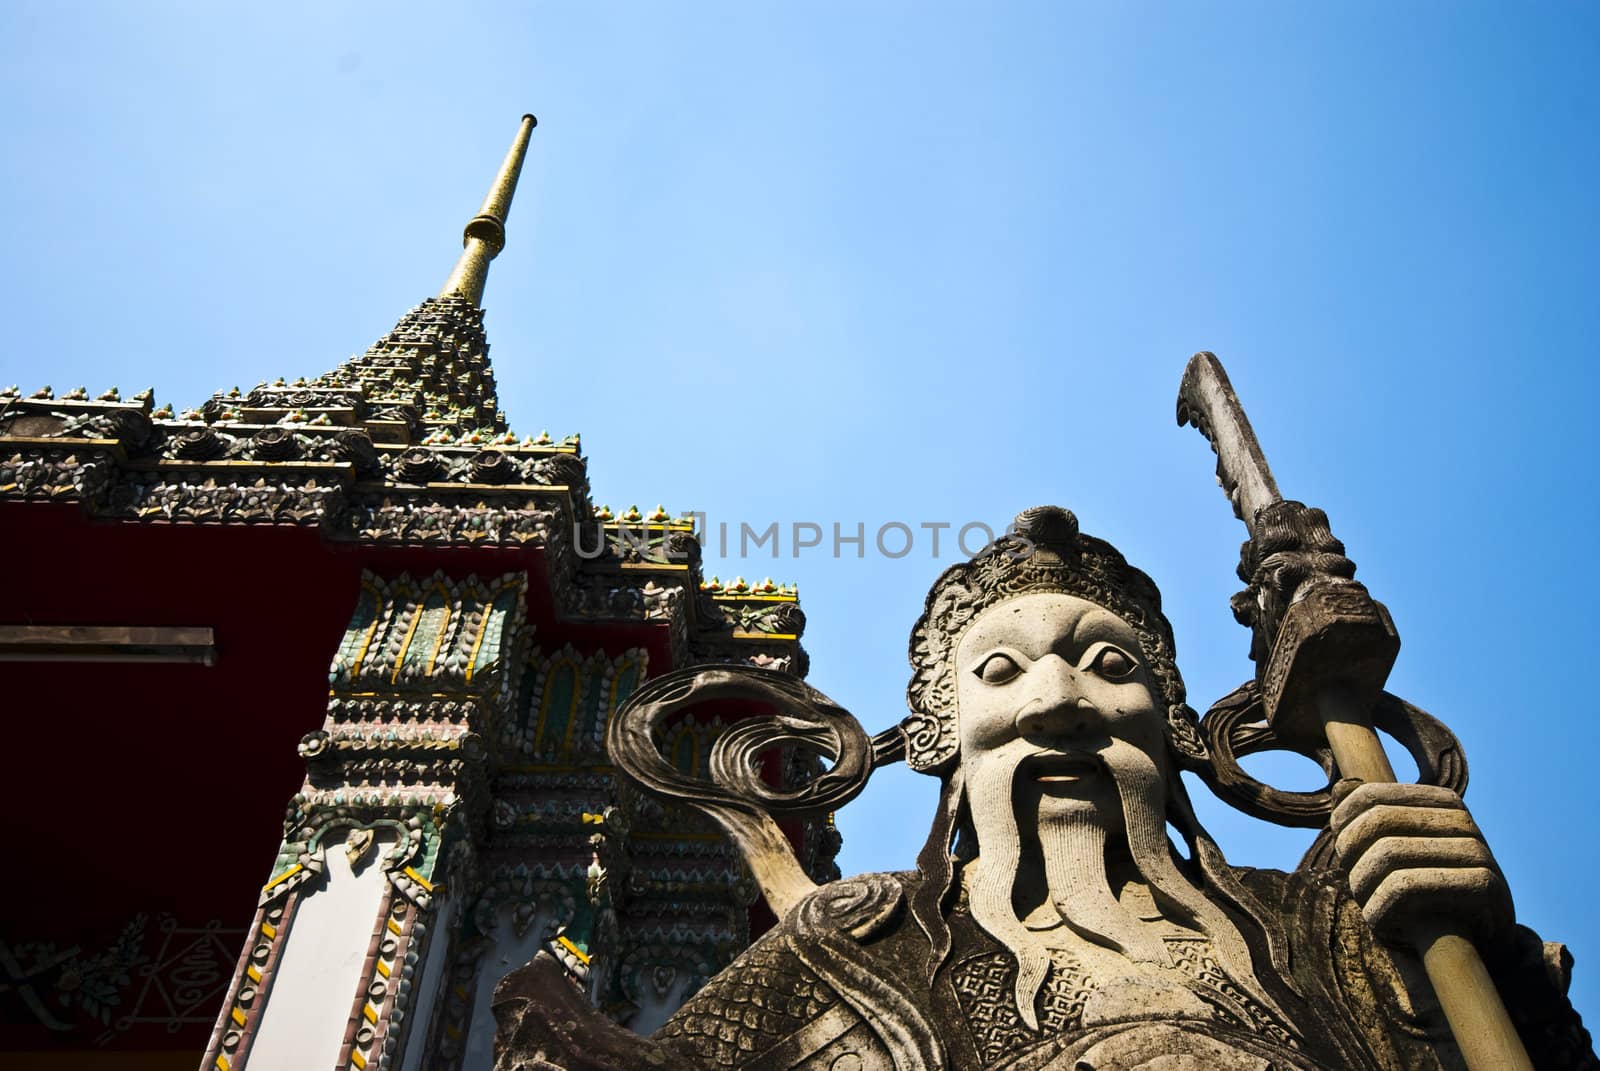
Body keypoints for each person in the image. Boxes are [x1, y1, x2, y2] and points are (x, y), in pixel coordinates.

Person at [494, 507, 1595, 1070]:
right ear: (937, 733)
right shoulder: (851, 947)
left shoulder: (1329, 923)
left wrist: (1480, 947)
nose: (1057, 703)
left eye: (1112, 668)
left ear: (1171, 727)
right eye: (1001, 673)